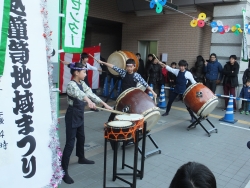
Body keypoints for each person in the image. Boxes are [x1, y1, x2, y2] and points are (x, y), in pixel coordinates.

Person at [61, 63, 112, 184]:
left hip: (79, 114)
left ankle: (81, 157)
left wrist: (104, 104)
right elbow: (81, 95)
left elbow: (90, 93)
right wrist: (89, 102)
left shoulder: (82, 83)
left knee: (81, 137)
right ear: (76, 73)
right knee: (70, 143)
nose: (85, 73)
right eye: (84, 72)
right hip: (72, 115)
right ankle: (63, 171)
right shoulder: (71, 85)